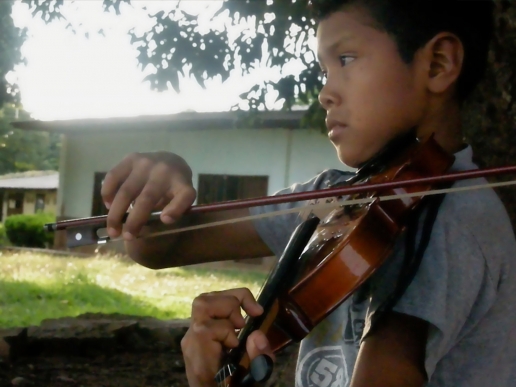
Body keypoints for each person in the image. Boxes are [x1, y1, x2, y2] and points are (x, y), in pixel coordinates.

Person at [100, 1, 516, 386]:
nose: (325, 94)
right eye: (324, 71)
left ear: (438, 64)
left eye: (346, 59)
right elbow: (160, 246)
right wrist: (159, 187)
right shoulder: (342, 197)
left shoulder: (451, 219)